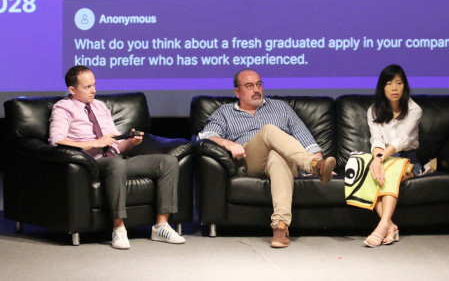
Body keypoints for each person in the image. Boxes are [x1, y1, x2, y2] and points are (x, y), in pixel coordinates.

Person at [49, 65, 185, 250]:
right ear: (72, 90)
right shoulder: (63, 108)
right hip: (90, 163)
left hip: (116, 159)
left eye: (94, 85)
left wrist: (130, 142)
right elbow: (56, 141)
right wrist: (94, 143)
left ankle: (161, 226)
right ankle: (119, 228)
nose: (93, 90)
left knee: (167, 162)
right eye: (87, 87)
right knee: (116, 164)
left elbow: (116, 145)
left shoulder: (100, 106)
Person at [197, 69, 336, 248]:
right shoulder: (224, 112)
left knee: (277, 155)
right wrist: (227, 143)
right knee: (269, 130)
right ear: (237, 92)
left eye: (259, 84)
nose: (256, 90)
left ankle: (280, 228)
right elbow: (204, 136)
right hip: (249, 161)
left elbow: (305, 138)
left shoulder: (281, 107)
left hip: (285, 162)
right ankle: (312, 165)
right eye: (249, 86)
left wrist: (320, 160)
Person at [364, 64, 423, 247]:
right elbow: (376, 140)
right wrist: (377, 160)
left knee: (389, 174)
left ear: (405, 85)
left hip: (408, 159)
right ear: (382, 87)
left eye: (398, 83)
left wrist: (381, 159)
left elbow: (401, 140)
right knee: (372, 175)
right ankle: (390, 226)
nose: (394, 88)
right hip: (385, 157)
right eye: (389, 83)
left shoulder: (414, 110)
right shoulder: (373, 110)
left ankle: (382, 226)